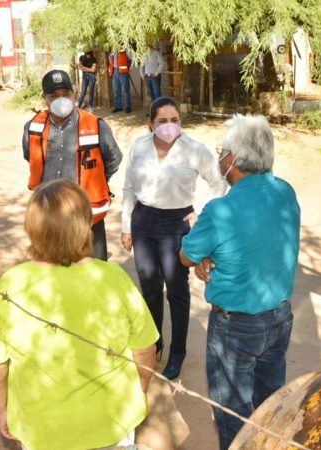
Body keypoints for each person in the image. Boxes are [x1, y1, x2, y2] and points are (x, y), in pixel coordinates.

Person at [0, 179, 159, 449]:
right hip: (112, 421)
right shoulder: (114, 278)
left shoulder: (10, 285)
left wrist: (3, 410)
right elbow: (144, 349)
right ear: (86, 224)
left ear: (32, 229)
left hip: (42, 429)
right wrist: (140, 391)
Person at [180, 114, 300, 449]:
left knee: (232, 415)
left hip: (235, 327)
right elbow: (258, 243)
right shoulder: (285, 192)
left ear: (232, 159)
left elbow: (186, 257)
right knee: (270, 403)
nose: (219, 156)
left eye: (222, 151)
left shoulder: (220, 210)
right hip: (279, 318)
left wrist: (199, 242)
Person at [121, 96, 227, 380]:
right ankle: (155, 342)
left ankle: (178, 351)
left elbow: (219, 182)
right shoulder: (139, 147)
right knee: (150, 286)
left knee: (176, 290)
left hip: (176, 223)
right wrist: (126, 225)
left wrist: (201, 213)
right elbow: (129, 188)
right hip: (143, 220)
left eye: (175, 120)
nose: (170, 126)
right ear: (150, 124)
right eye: (162, 121)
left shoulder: (194, 149)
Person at [22, 69, 122, 260]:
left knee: (94, 269)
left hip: (86, 213)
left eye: (66, 94)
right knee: (52, 266)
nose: (62, 100)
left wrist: (96, 181)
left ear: (74, 94)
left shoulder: (95, 125)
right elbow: (30, 156)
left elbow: (113, 159)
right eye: (54, 96)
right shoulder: (33, 126)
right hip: (49, 214)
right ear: (45, 98)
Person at [108, 47, 133, 113]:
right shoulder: (114, 49)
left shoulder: (126, 49)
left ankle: (128, 107)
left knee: (125, 89)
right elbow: (110, 57)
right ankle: (118, 107)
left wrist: (131, 67)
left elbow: (133, 58)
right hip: (115, 71)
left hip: (123, 72)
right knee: (116, 90)